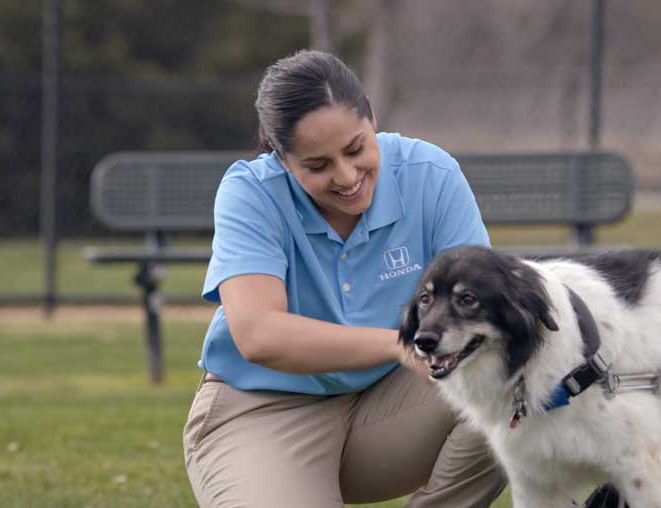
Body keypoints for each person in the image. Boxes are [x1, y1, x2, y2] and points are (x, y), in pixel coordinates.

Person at [182, 49, 507, 507]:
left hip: (391, 407)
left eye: (356, 148)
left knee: (506, 380)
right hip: (263, 408)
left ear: (372, 118)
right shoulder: (250, 194)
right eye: (317, 166)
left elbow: (487, 312)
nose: (347, 176)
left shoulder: (430, 174)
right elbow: (259, 335)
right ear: (283, 160)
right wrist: (397, 345)